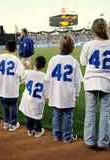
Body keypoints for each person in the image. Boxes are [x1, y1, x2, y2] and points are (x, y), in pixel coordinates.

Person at [45, 35, 82, 143]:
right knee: (68, 116)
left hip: (55, 93)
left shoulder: (53, 60)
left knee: (56, 115)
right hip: (68, 94)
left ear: (60, 46)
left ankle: (56, 135)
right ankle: (67, 137)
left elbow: (47, 79)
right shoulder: (74, 61)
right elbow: (77, 81)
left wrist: (47, 95)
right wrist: (77, 94)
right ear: (72, 47)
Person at [80, 18, 110, 150]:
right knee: (105, 113)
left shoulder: (88, 45)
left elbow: (83, 63)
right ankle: (103, 142)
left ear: (93, 30)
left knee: (90, 112)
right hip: (107, 82)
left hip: (91, 81)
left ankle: (90, 141)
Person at [0, 40, 24, 131]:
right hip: (11, 88)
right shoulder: (16, 59)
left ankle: (6, 123)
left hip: (0, 87)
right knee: (12, 106)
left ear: (5, 48)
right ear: (15, 49)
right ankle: (12, 124)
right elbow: (20, 73)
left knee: (5, 106)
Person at [19, 56, 48, 137]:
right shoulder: (45, 76)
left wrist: (26, 67)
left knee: (28, 114)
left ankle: (30, 130)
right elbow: (46, 91)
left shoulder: (29, 72)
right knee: (37, 116)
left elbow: (23, 78)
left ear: (34, 64)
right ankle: (38, 131)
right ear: (44, 66)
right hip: (38, 99)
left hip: (27, 98)